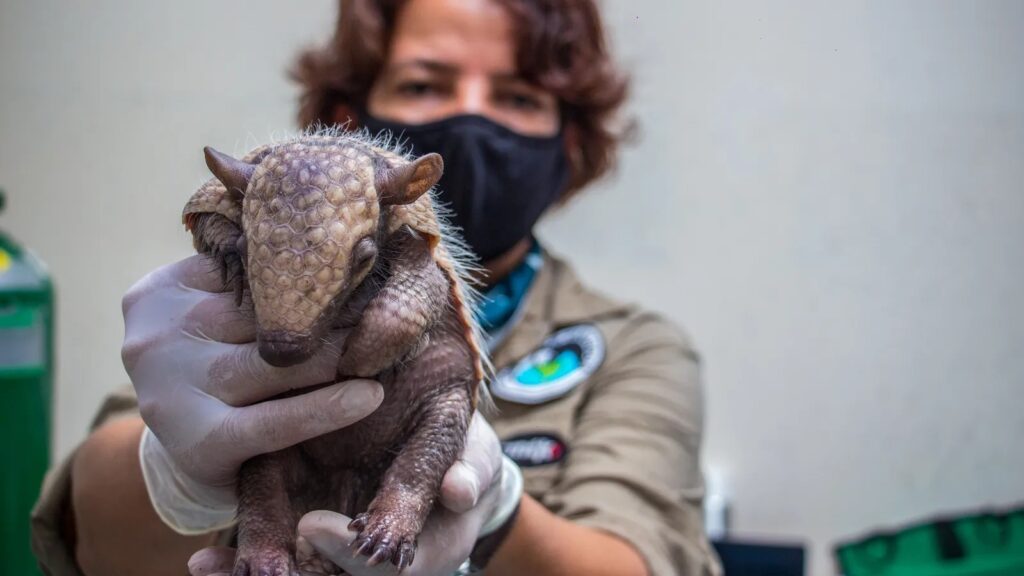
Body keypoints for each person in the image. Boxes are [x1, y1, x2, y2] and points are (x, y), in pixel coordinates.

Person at [31, 0, 722, 575]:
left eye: (518, 96)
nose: (470, 120)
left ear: (568, 142)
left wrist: (496, 511)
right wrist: (175, 474)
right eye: (424, 84)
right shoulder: (250, 277)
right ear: (347, 118)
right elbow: (92, 530)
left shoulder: (636, 346)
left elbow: (637, 559)